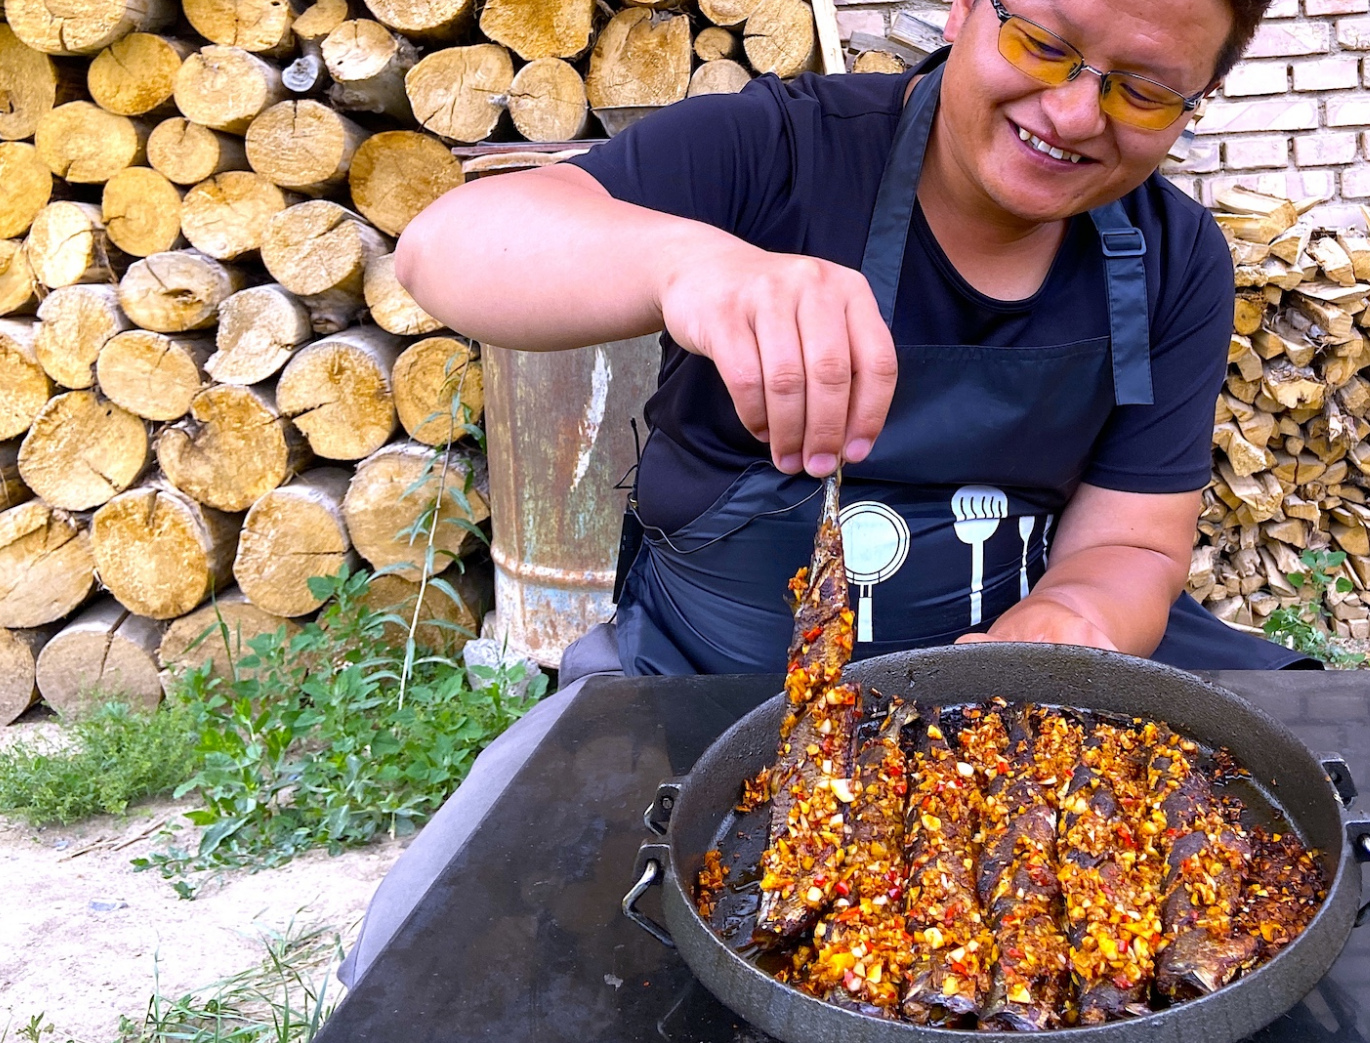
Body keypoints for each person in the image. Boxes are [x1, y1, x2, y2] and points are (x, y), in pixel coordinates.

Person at [339, 0, 1310, 986]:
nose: (1069, 113)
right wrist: (692, 264)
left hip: (1019, 705)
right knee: (463, 952)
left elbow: (1134, 545)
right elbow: (445, 246)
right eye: (1041, 44)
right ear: (970, 8)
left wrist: (1069, 621)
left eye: (1141, 90)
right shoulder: (780, 148)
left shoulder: (1174, 258)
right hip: (709, 692)